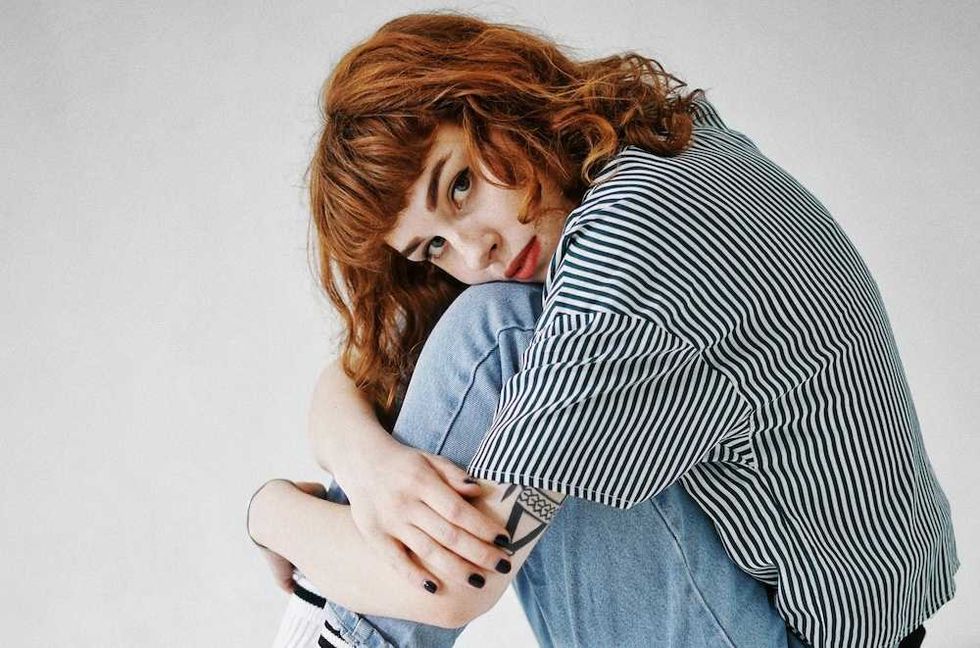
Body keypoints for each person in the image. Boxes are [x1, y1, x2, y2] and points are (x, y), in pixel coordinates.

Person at [246, 10, 957, 648]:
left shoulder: (619, 257)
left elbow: (460, 582)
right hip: (841, 617)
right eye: (433, 247)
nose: (475, 253)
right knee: (491, 326)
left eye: (459, 185)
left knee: (494, 328)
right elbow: (360, 366)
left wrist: (269, 514)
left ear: (495, 96)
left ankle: (330, 631)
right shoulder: (664, 144)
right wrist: (367, 465)